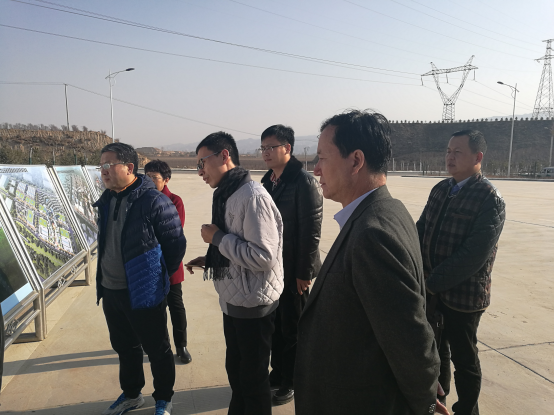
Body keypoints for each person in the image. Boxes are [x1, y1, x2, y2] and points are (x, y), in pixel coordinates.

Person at [294, 110, 445, 415]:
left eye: (322, 158)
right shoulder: (386, 210)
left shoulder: (372, 234)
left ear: (356, 161)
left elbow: (409, 336)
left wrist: (427, 403)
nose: (316, 169)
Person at [186, 132, 284, 415]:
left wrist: (217, 240)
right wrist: (211, 258)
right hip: (234, 301)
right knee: (237, 374)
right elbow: (240, 244)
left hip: (253, 305)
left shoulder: (252, 197)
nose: (200, 171)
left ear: (224, 155)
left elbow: (263, 256)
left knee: (253, 382)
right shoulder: (228, 194)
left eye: (202, 163)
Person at [417, 130, 506, 415]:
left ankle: (467, 410)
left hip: (464, 297)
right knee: (436, 353)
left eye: (458, 152)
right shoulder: (440, 189)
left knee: (464, 359)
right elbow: (421, 231)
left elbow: (473, 255)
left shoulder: (489, 198)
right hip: (432, 290)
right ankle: (438, 405)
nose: (450, 157)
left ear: (477, 157)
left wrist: (432, 283)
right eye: (448, 151)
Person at [94, 143, 187, 416]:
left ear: (129, 168)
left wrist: (156, 277)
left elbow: (175, 245)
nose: (104, 171)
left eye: (109, 165)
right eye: (101, 166)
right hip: (111, 290)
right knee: (125, 347)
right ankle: (132, 394)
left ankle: (164, 399)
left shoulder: (153, 201)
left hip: (144, 290)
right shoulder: (107, 199)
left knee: (157, 349)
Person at [259, 125, 323, 405]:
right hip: (274, 268)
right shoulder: (268, 182)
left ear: (287, 148)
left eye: (271, 147)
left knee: (294, 328)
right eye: (263, 148)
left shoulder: (304, 182)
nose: (266, 153)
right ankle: (279, 372)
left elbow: (312, 231)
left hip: (295, 270)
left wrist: (304, 272)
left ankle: (293, 380)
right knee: (276, 325)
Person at [144, 160, 192, 365]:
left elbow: (174, 232)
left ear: (166, 180)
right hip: (149, 265)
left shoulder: (175, 201)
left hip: (170, 263)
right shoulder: (140, 200)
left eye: (154, 177)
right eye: (147, 177)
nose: (150, 181)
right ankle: (161, 346)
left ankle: (181, 345)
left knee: (175, 305)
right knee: (156, 309)